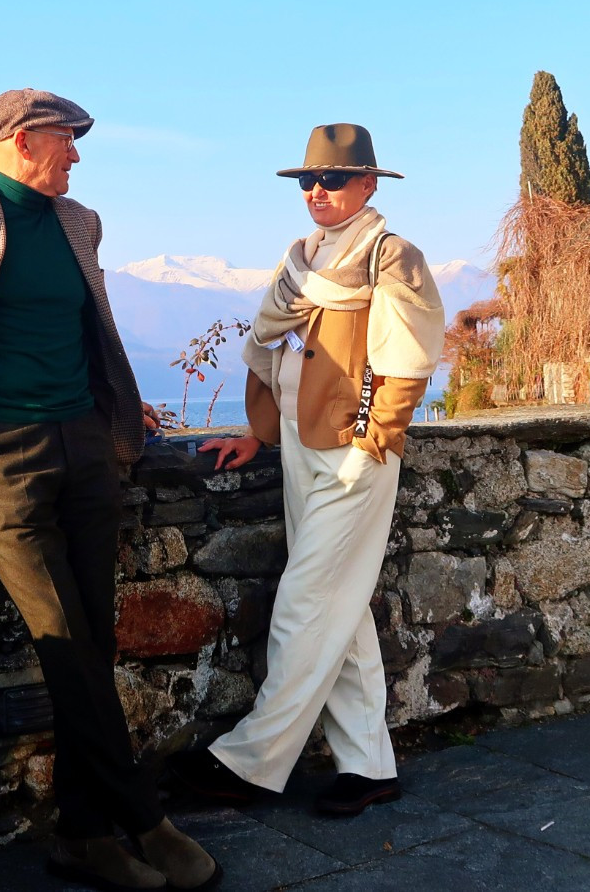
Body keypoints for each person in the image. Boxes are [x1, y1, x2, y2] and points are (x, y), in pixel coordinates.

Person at [0, 88, 221, 891]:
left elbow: (86, 324)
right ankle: (142, 817)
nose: (76, 155)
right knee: (62, 639)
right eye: (67, 140)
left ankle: (81, 836)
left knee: (92, 642)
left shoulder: (78, 223)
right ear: (24, 141)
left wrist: (117, 410)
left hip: (86, 446)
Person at [165, 124, 443, 818]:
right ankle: (369, 767)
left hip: (354, 452)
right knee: (340, 613)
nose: (317, 191)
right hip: (295, 445)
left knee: (303, 603)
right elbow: (276, 353)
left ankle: (250, 763)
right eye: (307, 181)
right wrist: (260, 435)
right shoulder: (300, 260)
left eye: (334, 179)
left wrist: (372, 441)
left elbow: (407, 358)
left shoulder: (390, 257)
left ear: (369, 184)